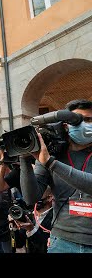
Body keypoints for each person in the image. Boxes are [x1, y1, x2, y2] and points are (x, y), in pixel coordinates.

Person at [20, 99, 92, 253]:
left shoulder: (50, 160)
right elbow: (30, 198)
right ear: (66, 125)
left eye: (89, 120)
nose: (85, 124)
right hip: (62, 241)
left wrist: (51, 164)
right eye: (79, 120)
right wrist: (24, 159)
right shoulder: (52, 154)